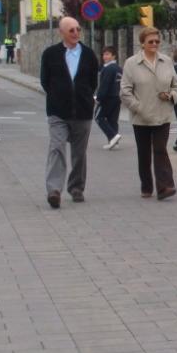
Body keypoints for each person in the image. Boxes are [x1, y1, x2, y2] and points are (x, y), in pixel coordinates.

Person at [40, 16, 99, 209]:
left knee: (79, 153)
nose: (75, 33)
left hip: (82, 111)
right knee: (56, 148)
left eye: (78, 29)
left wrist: (85, 96)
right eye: (71, 30)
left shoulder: (89, 54)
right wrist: (59, 95)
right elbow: (45, 81)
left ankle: (76, 188)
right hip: (57, 111)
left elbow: (93, 82)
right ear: (62, 32)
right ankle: (54, 190)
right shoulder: (50, 54)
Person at [119, 27, 177, 200]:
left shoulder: (166, 61)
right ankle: (146, 186)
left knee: (160, 149)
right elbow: (125, 91)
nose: (154, 44)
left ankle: (165, 186)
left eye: (157, 41)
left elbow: (176, 85)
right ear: (142, 43)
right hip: (141, 117)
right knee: (144, 153)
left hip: (163, 114)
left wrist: (172, 96)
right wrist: (138, 107)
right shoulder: (131, 63)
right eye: (150, 41)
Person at [94, 46, 123, 150]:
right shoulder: (119, 68)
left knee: (98, 117)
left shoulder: (108, 69)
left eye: (107, 54)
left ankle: (113, 136)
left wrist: (98, 98)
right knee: (112, 119)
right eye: (104, 54)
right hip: (117, 97)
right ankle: (114, 142)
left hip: (107, 98)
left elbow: (104, 85)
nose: (105, 57)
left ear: (113, 55)